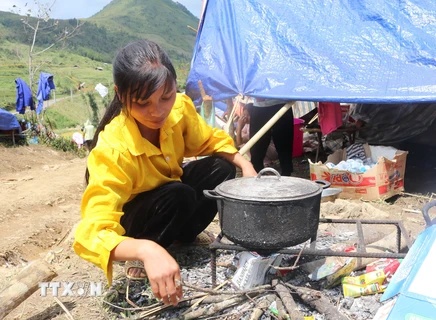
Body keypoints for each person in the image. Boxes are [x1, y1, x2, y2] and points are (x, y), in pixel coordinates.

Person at [72, 40, 257, 307]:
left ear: (174, 87)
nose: (157, 111)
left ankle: (181, 237)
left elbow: (210, 141)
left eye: (165, 97)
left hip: (174, 199)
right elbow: (91, 232)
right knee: (178, 193)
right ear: (120, 94)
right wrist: (144, 249)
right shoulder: (113, 148)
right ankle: (147, 251)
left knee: (222, 167)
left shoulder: (179, 109)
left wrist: (246, 165)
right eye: (143, 103)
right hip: (139, 219)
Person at [249, 99, 294, 175]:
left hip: (283, 104)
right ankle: (256, 174)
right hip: (260, 107)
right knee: (257, 146)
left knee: (285, 144)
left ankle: (287, 175)